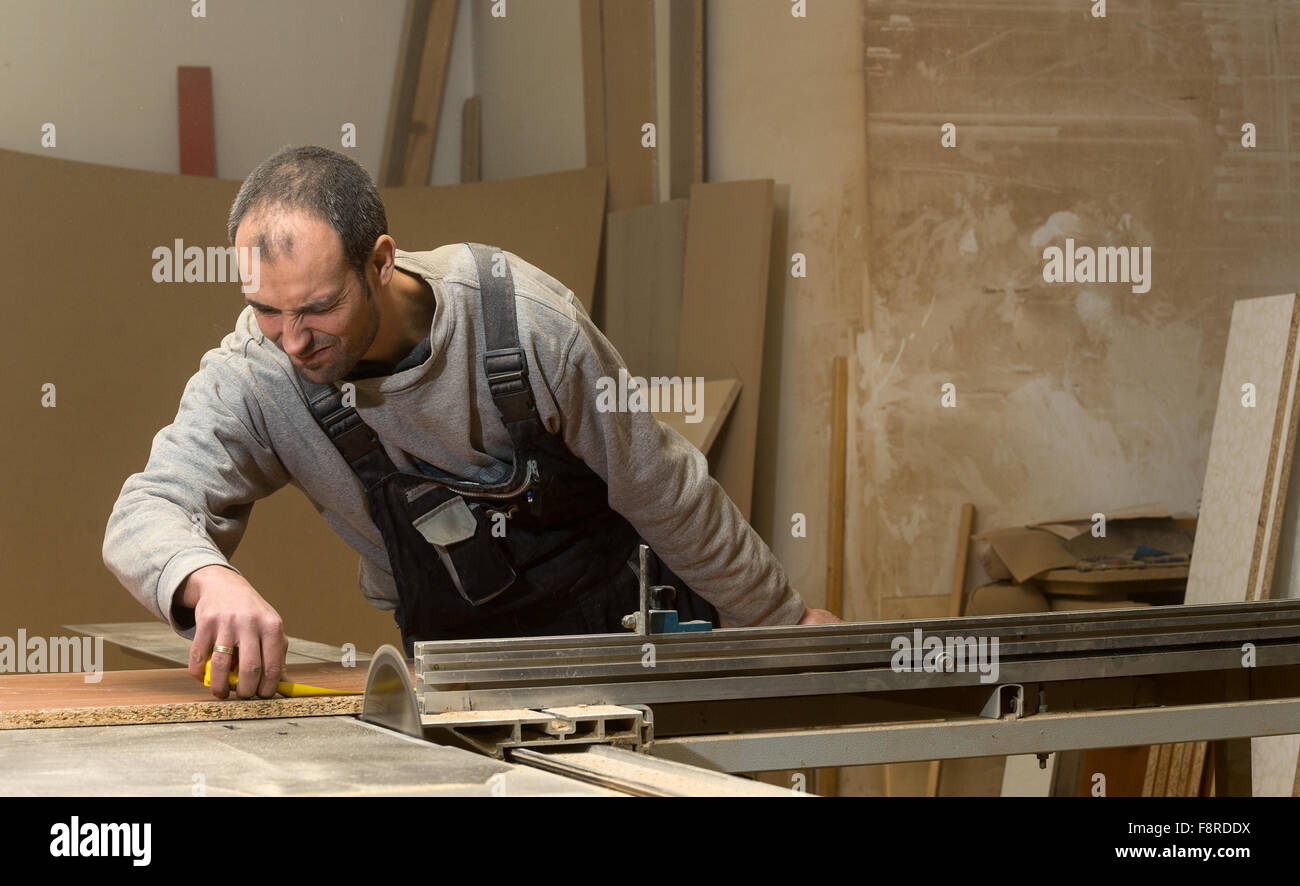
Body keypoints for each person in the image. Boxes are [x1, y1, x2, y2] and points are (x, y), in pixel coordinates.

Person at [103, 145, 838, 700]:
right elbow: (145, 511)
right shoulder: (258, 376)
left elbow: (661, 490)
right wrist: (206, 577)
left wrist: (781, 623)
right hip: (461, 679)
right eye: (268, 309)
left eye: (319, 308)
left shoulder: (525, 324)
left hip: (623, 648)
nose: (293, 341)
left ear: (380, 263)